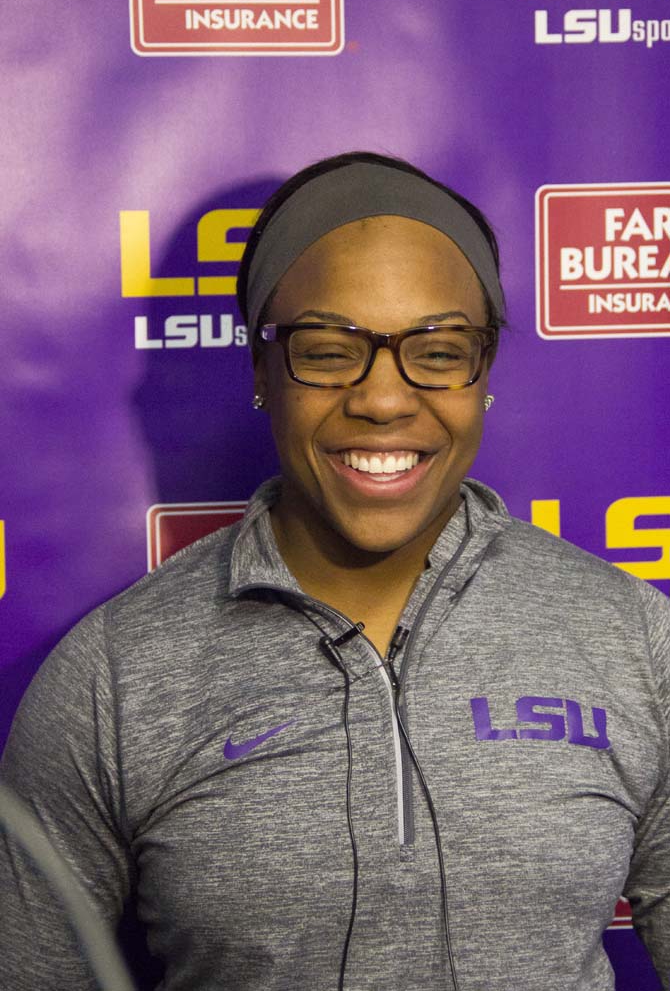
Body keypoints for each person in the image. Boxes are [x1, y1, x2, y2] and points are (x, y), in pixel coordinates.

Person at [0, 151, 668, 991]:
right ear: (261, 372)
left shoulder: (632, 636)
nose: (384, 400)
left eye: (437, 349)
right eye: (326, 350)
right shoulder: (112, 679)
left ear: (484, 372)